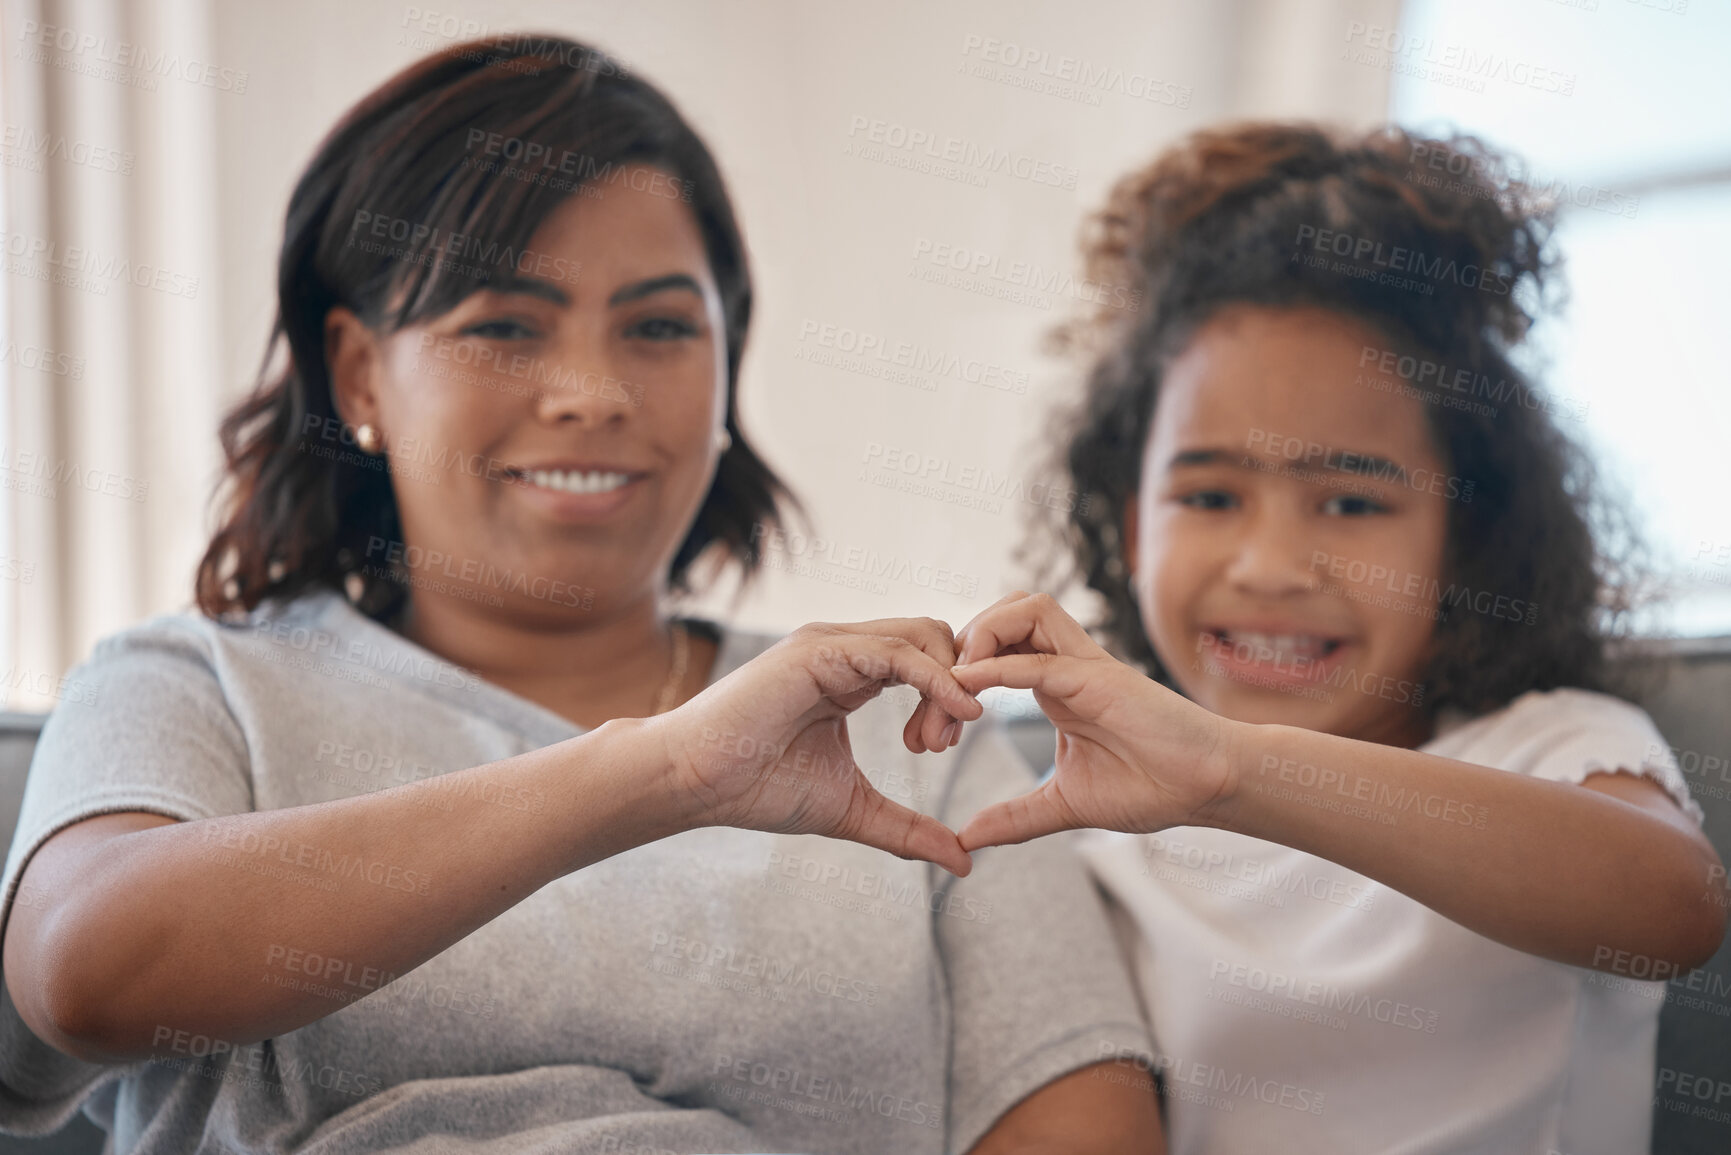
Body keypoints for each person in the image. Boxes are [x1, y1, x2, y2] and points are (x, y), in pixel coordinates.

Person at [0, 35, 1163, 1155]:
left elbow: (1081, 1127)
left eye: (658, 327)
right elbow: (83, 976)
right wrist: (656, 771)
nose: (593, 392)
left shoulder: (919, 730)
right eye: (505, 326)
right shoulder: (196, 687)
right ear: (360, 373)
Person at [928, 124, 1727, 1153]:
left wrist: (1231, 769)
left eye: (1350, 504)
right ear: (1132, 527)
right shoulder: (1085, 830)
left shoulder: (1551, 746)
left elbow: (1675, 909)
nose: (1268, 564)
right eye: (1210, 494)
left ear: (1466, 532)